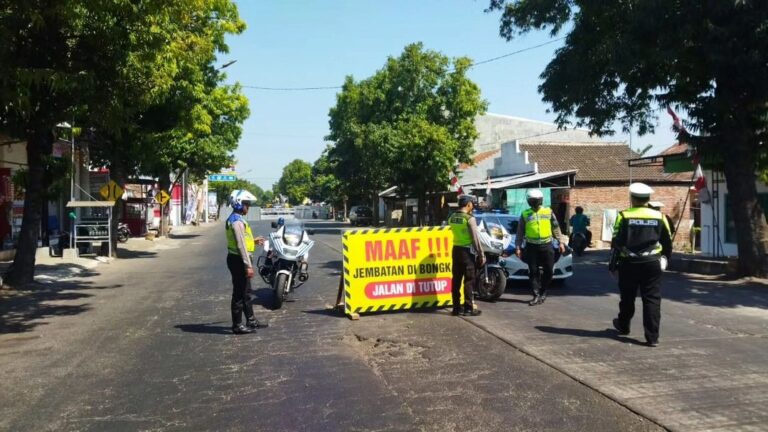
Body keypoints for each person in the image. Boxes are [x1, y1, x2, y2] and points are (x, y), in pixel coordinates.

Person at [610, 183, 672, 347]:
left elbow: (616, 241)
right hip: (652, 263)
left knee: (627, 297)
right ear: (648, 199)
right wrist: (666, 258)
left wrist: (614, 262)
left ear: (632, 198)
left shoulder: (623, 216)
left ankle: (624, 326)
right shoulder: (660, 217)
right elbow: (667, 241)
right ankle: (652, 337)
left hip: (629, 263)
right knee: (652, 299)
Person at [226, 190, 268, 335]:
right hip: (238, 260)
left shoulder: (236, 218)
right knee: (239, 293)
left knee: (246, 292)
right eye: (246, 204)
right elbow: (240, 245)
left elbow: (244, 240)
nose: (248, 208)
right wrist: (248, 265)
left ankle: (251, 320)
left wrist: (254, 241)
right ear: (239, 204)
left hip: (238, 258)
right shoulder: (237, 222)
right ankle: (237, 325)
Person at [515, 189, 566, 306]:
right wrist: (518, 247)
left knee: (549, 270)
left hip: (547, 245)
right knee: (533, 271)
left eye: (537, 201)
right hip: (531, 246)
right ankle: (536, 294)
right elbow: (520, 232)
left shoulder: (548, 211)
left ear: (541, 200)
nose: (535, 203)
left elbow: (556, 228)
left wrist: (561, 242)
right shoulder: (525, 214)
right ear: (529, 201)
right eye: (533, 201)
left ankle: (543, 291)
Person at [448, 195, 484, 316]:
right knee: (469, 280)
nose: (472, 206)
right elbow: (475, 239)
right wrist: (481, 254)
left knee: (456, 280)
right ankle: (468, 308)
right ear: (468, 204)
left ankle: (456, 308)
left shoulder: (452, 217)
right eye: (472, 204)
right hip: (467, 252)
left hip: (455, 250)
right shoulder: (469, 219)